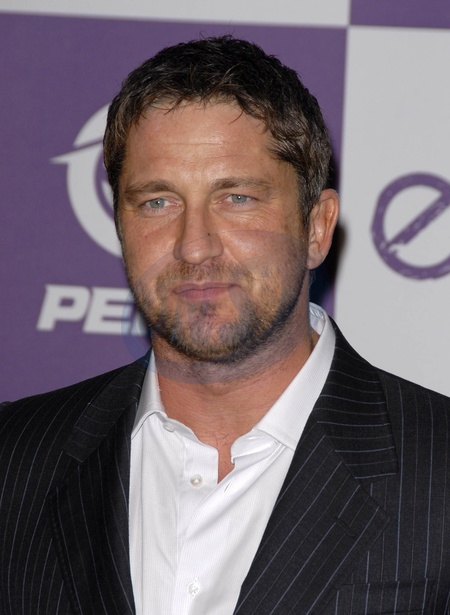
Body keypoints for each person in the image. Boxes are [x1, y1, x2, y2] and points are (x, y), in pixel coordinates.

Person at [1, 36, 449, 615]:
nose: (194, 246)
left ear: (317, 227)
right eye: (158, 202)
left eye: (236, 198)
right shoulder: (15, 461)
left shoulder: (437, 470)